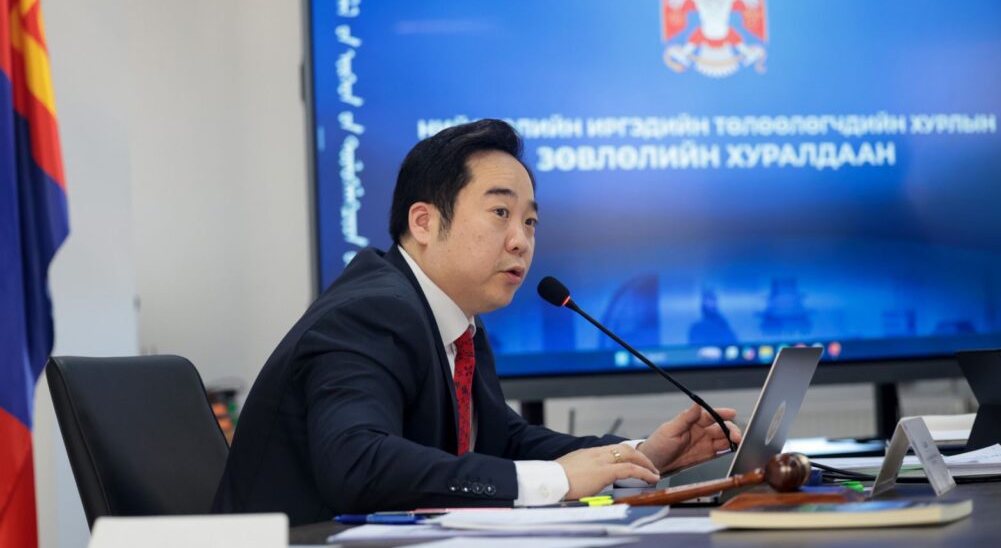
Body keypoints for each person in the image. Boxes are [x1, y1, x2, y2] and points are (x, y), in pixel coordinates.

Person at [212, 119, 740, 525]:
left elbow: (501, 441)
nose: (521, 240)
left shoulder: (455, 318)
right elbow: (358, 462)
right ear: (424, 222)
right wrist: (555, 480)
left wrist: (638, 456)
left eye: (530, 221)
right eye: (501, 213)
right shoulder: (371, 312)